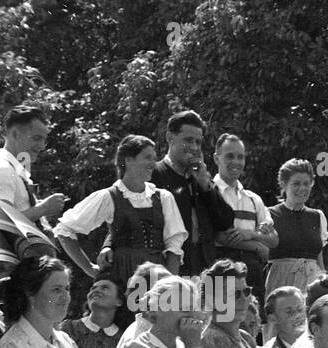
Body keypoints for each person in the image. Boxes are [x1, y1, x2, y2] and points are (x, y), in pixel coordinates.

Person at [55, 134, 186, 295]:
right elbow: (64, 230)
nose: (153, 163)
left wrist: (169, 286)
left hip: (157, 279)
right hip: (121, 279)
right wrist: (89, 268)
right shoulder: (108, 197)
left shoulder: (164, 197)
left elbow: (174, 246)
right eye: (147, 157)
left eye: (154, 158)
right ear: (128, 160)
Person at [149, 111, 235, 275]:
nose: (195, 148)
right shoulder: (154, 175)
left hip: (205, 269)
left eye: (198, 142)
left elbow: (225, 221)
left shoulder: (201, 178)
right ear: (170, 138)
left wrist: (205, 185)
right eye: (188, 140)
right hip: (167, 269)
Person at [212, 133, 276, 304]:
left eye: (240, 157)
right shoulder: (210, 193)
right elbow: (218, 236)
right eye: (229, 156)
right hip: (221, 272)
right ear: (216, 159)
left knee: (254, 326)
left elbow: (273, 241)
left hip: (252, 274)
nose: (236, 162)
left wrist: (250, 235)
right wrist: (257, 246)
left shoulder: (253, 199)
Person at [0, 104, 67, 224]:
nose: (41, 146)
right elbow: (1, 222)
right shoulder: (2, 170)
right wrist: (43, 209)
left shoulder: (14, 169)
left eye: (44, 140)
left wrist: (41, 207)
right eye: (37, 138)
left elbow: (17, 212)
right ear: (15, 134)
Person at [265, 159, 328, 294]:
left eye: (306, 184)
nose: (302, 188)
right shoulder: (270, 214)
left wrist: (325, 284)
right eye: (296, 183)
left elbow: (319, 259)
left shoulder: (317, 216)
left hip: (312, 282)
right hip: (281, 281)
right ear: (284, 184)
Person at [61, 277, 123, 348]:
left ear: (119, 301)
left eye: (105, 288)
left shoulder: (122, 339)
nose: (96, 291)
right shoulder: (69, 328)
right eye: (93, 288)